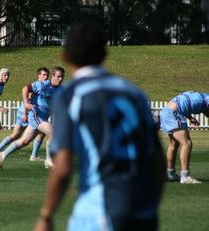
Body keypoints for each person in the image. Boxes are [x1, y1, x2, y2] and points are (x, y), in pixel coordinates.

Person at [33, 19, 166, 231]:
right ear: (104, 54)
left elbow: (64, 166)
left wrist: (46, 216)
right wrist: (150, 205)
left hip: (101, 212)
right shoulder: (134, 93)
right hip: (144, 213)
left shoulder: (71, 95)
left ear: (65, 56)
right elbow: (157, 159)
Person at [0, 66, 65, 170]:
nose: (60, 79)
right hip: (36, 115)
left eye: (62, 77)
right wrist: (26, 103)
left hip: (43, 118)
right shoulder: (42, 85)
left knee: (24, 141)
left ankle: (2, 155)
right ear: (53, 76)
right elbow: (25, 89)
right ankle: (49, 160)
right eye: (58, 76)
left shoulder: (61, 90)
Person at [0, 67, 49, 161]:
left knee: (16, 135)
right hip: (27, 114)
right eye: (43, 75)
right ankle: (34, 156)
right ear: (38, 75)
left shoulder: (41, 86)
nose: (46, 77)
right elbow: (28, 100)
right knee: (40, 132)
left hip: (22, 113)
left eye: (47, 75)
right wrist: (25, 114)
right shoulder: (37, 86)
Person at [160, 91, 209, 184]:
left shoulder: (199, 97)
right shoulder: (206, 99)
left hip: (166, 111)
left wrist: (190, 118)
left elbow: (182, 102)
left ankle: (170, 174)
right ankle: (185, 177)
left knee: (173, 144)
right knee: (187, 143)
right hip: (174, 113)